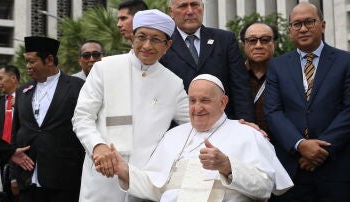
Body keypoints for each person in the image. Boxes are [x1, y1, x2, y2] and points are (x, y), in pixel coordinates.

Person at [99, 74, 293, 202]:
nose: (197, 107)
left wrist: (227, 166)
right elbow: (156, 188)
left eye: (205, 100)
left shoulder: (247, 134)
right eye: (192, 100)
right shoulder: (173, 135)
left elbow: (264, 187)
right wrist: (124, 171)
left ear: (223, 102)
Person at [72, 9, 189, 202]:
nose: (147, 45)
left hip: (144, 183)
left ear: (168, 45)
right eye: (141, 37)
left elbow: (196, 122)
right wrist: (97, 146)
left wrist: (236, 127)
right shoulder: (104, 68)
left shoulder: (173, 83)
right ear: (132, 37)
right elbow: (82, 117)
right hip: (102, 179)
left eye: (156, 40)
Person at [264, 2, 350, 201]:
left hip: (336, 168)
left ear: (323, 25)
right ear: (290, 30)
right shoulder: (277, 65)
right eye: (296, 24)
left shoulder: (345, 62)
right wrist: (300, 144)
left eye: (309, 22)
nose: (303, 28)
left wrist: (320, 150)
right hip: (293, 168)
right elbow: (273, 111)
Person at [12, 36, 85, 202]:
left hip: (64, 180)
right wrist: (13, 176)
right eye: (26, 61)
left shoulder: (76, 87)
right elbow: (15, 132)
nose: (28, 66)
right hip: (27, 179)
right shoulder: (23, 91)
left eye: (32, 61)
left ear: (50, 60)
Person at [160, 0, 254, 121]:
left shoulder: (225, 40)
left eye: (195, 5)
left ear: (202, 8)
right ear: (171, 12)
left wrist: (245, 124)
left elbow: (240, 87)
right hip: (178, 127)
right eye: (183, 6)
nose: (190, 11)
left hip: (223, 124)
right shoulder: (162, 44)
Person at [240, 22, 278, 137]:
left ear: (274, 43)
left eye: (265, 40)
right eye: (252, 40)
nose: (258, 45)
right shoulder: (234, 76)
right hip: (244, 144)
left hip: (282, 146)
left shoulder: (287, 74)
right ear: (244, 45)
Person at [0, 65, 20, 142]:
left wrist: (21, 104)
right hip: (0, 152)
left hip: (24, 150)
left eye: (0, 78)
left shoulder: (30, 99)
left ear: (13, 78)